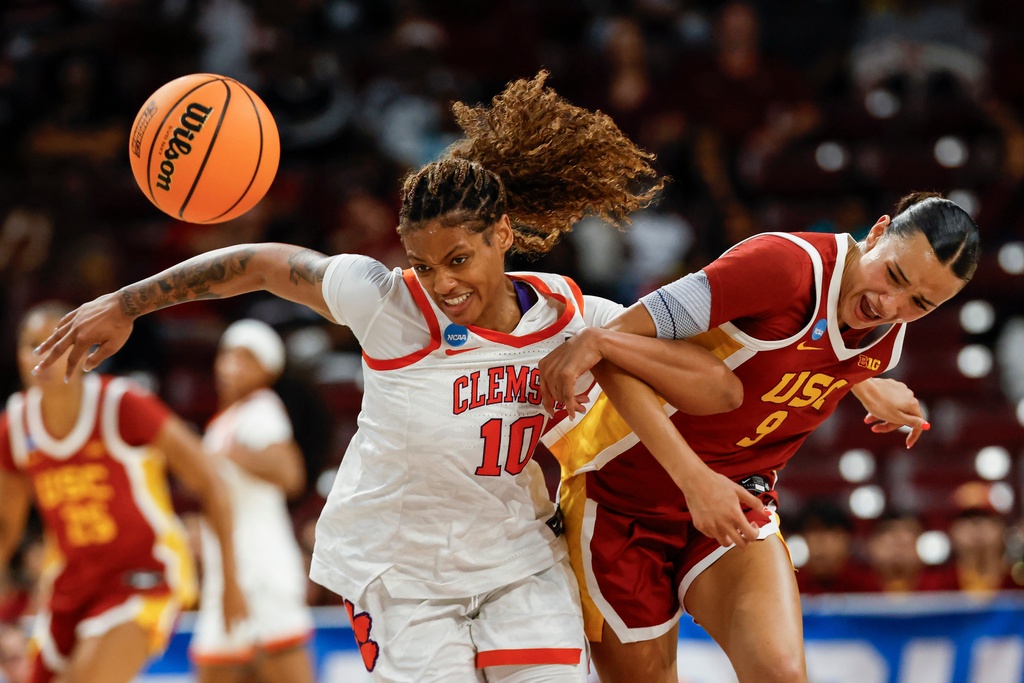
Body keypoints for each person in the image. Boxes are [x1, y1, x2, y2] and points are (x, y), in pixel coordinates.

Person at [30, 72, 740, 682]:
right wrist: (125, 301)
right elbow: (262, 263)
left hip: (515, 551)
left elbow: (713, 380)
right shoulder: (387, 301)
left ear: (502, 235)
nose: (440, 283)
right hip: (398, 569)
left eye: (458, 259)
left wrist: (597, 346)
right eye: (424, 264)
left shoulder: (571, 311)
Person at [538, 192, 980, 682]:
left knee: (781, 675)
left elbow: (802, 351)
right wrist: (693, 479)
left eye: (921, 303)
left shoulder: (887, 334)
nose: (890, 304)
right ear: (875, 233)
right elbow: (609, 347)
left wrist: (862, 384)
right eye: (893, 276)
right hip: (619, 496)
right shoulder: (780, 266)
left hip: (734, 498)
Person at [0, 302, 246, 683]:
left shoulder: (121, 403)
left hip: (144, 572)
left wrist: (229, 580)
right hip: (71, 580)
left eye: (56, 343)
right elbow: (7, 526)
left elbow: (210, 480)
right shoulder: (14, 425)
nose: (42, 356)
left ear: (82, 350)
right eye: (32, 344)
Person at [190, 319, 315, 683]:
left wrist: (230, 454)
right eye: (227, 355)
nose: (232, 365)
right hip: (229, 569)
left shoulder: (263, 409)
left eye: (246, 358)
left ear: (267, 370)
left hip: (258, 570)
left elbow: (291, 474)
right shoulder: (226, 420)